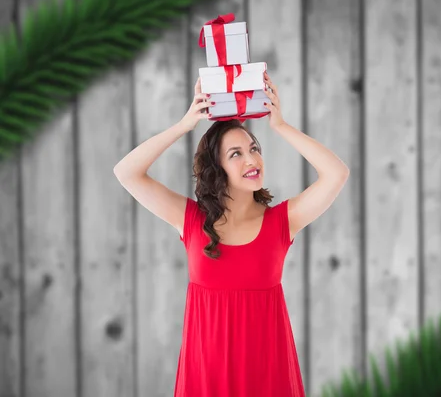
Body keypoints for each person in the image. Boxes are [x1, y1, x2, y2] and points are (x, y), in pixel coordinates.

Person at [113, 72, 349, 396]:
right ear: (216, 168)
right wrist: (184, 125)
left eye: (254, 148)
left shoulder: (282, 221)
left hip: (269, 379)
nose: (252, 159)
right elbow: (126, 172)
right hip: (205, 380)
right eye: (236, 154)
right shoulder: (192, 221)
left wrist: (280, 126)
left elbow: (337, 173)